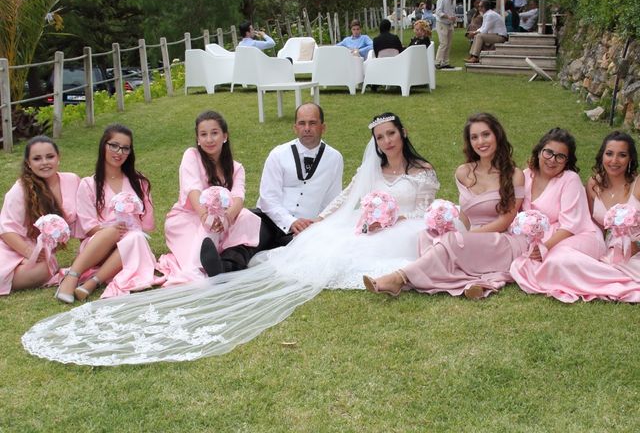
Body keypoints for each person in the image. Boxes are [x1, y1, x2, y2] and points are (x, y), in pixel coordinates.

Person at [22, 113, 440, 365]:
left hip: (395, 225)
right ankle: (213, 261)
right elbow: (349, 197)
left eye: (391, 134)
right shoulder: (193, 159)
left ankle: (228, 261)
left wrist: (384, 216)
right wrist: (316, 221)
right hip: (196, 218)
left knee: (249, 224)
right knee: (247, 228)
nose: (387, 141)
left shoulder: (421, 170)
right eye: (380, 136)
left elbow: (240, 197)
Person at [364, 113, 526, 299]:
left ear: (497, 135)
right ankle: (459, 276)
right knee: (428, 235)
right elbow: (465, 215)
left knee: (450, 241)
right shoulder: (464, 172)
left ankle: (399, 278)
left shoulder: (515, 175)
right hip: (471, 237)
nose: (481, 141)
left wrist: (463, 236)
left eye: (486, 134)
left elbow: (506, 220)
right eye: (474, 137)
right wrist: (451, 229)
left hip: (500, 240)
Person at [513, 132, 640, 303]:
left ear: (630, 158)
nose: (614, 160)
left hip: (630, 247)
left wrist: (636, 245)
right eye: (609, 153)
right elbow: (593, 220)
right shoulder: (594, 184)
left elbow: (576, 223)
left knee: (556, 259)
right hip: (610, 248)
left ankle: (622, 284)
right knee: (527, 264)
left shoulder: (637, 183)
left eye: (622, 155)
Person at [54, 124, 158, 303]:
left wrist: (128, 230)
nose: (119, 152)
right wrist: (112, 230)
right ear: (104, 145)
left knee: (136, 237)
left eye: (125, 148)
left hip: (129, 245)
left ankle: (91, 284)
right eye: (114, 145)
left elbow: (146, 224)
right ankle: (71, 277)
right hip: (98, 245)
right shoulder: (88, 184)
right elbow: (88, 227)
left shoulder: (139, 183)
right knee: (113, 231)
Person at [157, 111, 261, 284]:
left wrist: (226, 217)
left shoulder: (236, 168)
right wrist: (206, 216)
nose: (209, 139)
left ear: (225, 136)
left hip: (222, 221)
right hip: (187, 219)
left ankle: (224, 260)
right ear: (198, 139)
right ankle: (198, 268)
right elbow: (193, 189)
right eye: (203, 135)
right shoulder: (192, 155)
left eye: (214, 133)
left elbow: (238, 197)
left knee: (247, 216)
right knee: (197, 259)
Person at [509, 128, 607, 300]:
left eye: (560, 156)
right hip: (545, 237)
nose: (552, 160)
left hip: (578, 235)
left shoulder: (569, 179)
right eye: (548, 152)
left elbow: (571, 225)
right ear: (539, 152)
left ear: (567, 161)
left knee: (555, 260)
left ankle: (612, 279)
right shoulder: (526, 175)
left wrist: (546, 246)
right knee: (521, 258)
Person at [254, 103, 343, 251]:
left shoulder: (335, 158)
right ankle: (225, 264)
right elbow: (268, 198)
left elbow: (331, 201)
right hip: (271, 220)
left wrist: (316, 225)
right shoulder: (278, 154)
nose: (307, 128)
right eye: (302, 123)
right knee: (250, 240)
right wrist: (290, 222)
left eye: (313, 123)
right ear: (295, 128)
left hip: (306, 229)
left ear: (323, 127)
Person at [0, 136, 81, 296]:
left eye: (50, 156)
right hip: (10, 248)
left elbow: (83, 219)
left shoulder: (73, 180)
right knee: (45, 269)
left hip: (41, 254)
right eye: (37, 158)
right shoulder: (21, 189)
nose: (44, 162)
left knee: (48, 266)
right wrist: (30, 253)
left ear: (58, 158)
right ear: (28, 164)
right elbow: (6, 230)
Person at [465, 0, 508, 64]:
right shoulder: (487, 14)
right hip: (496, 35)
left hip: (501, 37)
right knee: (477, 35)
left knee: (479, 36)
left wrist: (473, 33)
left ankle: (475, 57)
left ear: (484, 7)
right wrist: (474, 32)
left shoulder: (489, 15)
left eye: (480, 6)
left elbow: (484, 30)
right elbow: (483, 27)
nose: (478, 8)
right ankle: (472, 55)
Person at [435, 0, 458, 69]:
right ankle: (438, 62)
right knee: (443, 43)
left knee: (449, 43)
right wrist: (448, 16)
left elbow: (452, 11)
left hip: (450, 24)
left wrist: (453, 18)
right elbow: (438, 12)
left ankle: (445, 62)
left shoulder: (453, 0)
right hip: (441, 23)